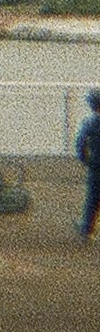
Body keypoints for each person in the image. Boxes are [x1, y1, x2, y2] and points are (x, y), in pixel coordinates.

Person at [78, 90, 100, 241]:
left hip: (96, 166)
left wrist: (87, 160)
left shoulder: (89, 123)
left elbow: (80, 145)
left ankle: (87, 229)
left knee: (92, 198)